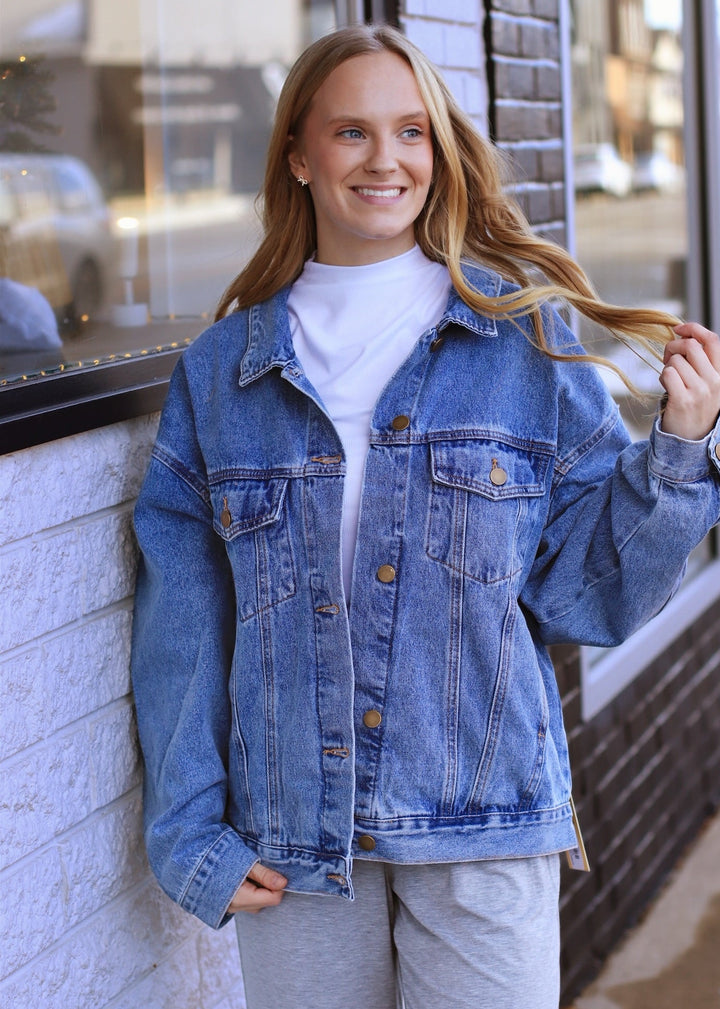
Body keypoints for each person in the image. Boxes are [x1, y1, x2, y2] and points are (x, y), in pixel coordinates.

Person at [130, 23, 720, 1009]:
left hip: (483, 823)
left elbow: (592, 595)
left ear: (440, 153)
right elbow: (182, 633)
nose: (386, 158)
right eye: (352, 132)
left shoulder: (522, 338)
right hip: (295, 842)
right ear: (300, 156)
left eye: (412, 131)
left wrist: (680, 449)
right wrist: (190, 836)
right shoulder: (221, 373)